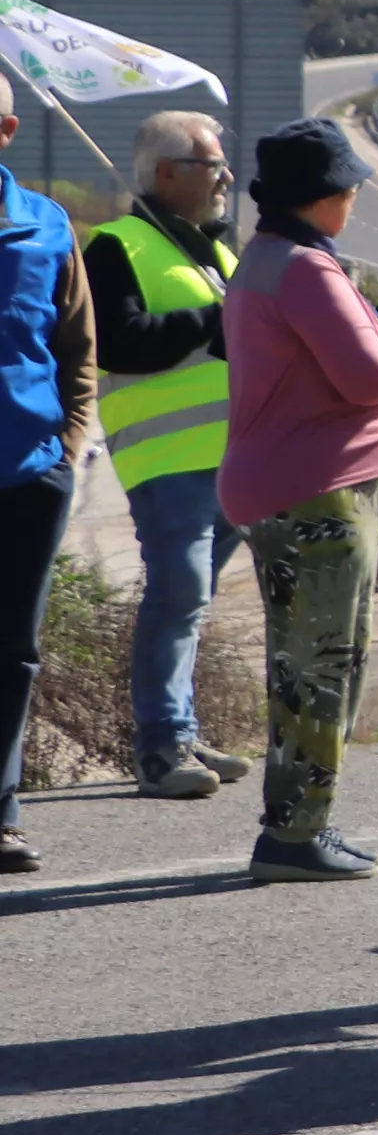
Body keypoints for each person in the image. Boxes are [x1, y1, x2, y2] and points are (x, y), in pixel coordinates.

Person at [215, 115, 378, 886]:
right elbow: (372, 375)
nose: (355, 196)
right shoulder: (305, 270)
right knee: (322, 667)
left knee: (309, 664)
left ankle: (301, 821)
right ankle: (295, 835)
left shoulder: (269, 259)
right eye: (347, 185)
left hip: (293, 486)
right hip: (317, 493)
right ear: (323, 195)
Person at [88, 109, 252, 798]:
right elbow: (122, 341)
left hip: (235, 457)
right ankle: (160, 746)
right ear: (167, 173)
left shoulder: (214, 249)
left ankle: (180, 726)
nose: (226, 179)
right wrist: (215, 319)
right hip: (165, 457)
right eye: (212, 165)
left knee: (194, 598)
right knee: (179, 591)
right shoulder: (115, 246)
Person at [0, 71, 100, 876]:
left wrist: (67, 446)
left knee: (13, 651)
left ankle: (0, 814)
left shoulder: (47, 225)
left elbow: (77, 348)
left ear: (8, 130)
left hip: (28, 475)